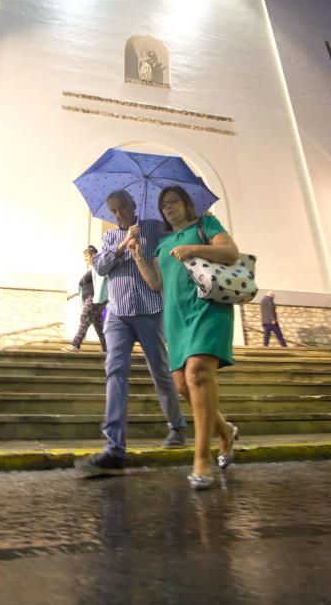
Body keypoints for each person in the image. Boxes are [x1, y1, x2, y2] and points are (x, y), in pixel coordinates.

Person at [129, 185, 240, 490]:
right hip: (176, 317)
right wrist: (139, 258)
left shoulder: (206, 225)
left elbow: (231, 253)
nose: (169, 207)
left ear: (186, 203)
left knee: (198, 373)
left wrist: (195, 249)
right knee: (182, 383)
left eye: (174, 201)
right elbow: (156, 284)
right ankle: (225, 431)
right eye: (164, 205)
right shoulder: (163, 244)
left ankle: (201, 459)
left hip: (209, 308)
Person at [75, 189, 186, 475]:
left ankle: (177, 427)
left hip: (151, 311)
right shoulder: (110, 237)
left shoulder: (154, 227)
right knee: (115, 371)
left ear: (134, 204)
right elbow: (100, 266)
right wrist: (124, 244)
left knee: (160, 371)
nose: (119, 213)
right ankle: (114, 447)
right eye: (114, 211)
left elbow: (169, 255)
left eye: (123, 207)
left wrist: (145, 244)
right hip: (118, 314)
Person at [63, 246, 108, 353]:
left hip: (94, 300)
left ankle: (75, 344)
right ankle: (107, 348)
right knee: (99, 325)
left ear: (92, 255)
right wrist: (73, 294)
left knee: (85, 318)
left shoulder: (99, 268)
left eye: (86, 257)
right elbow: (86, 287)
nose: (85, 259)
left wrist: (108, 297)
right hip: (93, 299)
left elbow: (104, 282)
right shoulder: (92, 269)